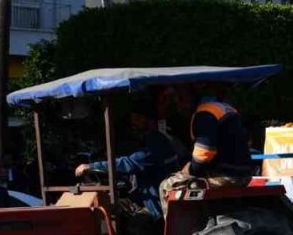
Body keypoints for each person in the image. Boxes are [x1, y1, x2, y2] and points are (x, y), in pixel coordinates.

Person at [157, 86, 254, 215]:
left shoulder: (204, 114)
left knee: (166, 185)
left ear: (191, 98)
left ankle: (178, 233)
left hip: (226, 176)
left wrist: (190, 170)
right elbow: (248, 141)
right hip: (244, 173)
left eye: (180, 98)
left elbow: (204, 153)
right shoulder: (225, 108)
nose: (178, 103)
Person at [75, 107, 182, 215]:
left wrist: (92, 166)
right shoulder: (155, 139)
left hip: (158, 204)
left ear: (150, 121)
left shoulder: (155, 142)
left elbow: (129, 163)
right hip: (153, 197)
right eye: (132, 119)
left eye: (137, 119)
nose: (133, 123)